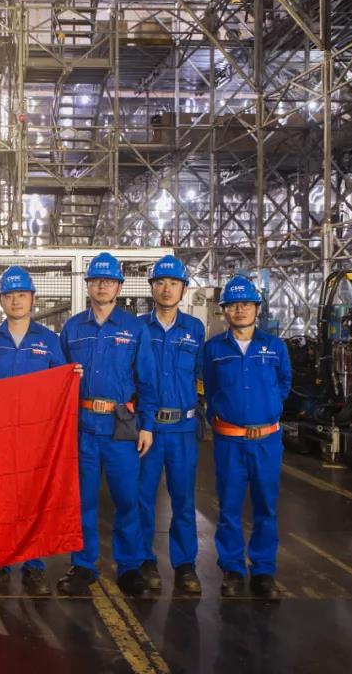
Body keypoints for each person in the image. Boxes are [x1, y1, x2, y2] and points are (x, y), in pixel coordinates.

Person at [58, 252, 158, 598]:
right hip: (83, 427)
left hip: (121, 428)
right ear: (88, 286)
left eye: (109, 281)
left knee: (127, 500)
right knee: (83, 501)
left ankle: (129, 566)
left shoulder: (134, 329)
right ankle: (83, 564)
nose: (102, 286)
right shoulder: (73, 329)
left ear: (118, 287)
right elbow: (57, 379)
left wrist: (147, 426)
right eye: (96, 281)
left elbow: (147, 381)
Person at [0, 265, 67, 596]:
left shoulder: (49, 341)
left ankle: (34, 567)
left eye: (22, 295)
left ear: (33, 299)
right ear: (0, 300)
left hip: (36, 439)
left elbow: (61, 386)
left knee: (33, 499)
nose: (16, 301)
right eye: (9, 295)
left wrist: (74, 377)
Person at [203, 275, 291, 599]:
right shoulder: (214, 349)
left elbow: (284, 384)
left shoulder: (276, 347)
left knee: (266, 506)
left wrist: (267, 409)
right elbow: (210, 387)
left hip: (266, 442)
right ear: (224, 310)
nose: (240, 310)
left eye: (246, 304)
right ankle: (233, 570)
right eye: (233, 305)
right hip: (229, 442)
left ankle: (264, 571)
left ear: (257, 308)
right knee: (229, 507)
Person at [137, 255, 205, 596]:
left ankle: (185, 564)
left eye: (173, 283)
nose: (166, 289)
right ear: (152, 288)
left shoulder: (195, 329)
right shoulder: (138, 328)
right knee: (142, 498)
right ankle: (144, 560)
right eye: (160, 283)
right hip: (147, 428)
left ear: (183, 289)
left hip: (182, 430)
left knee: (183, 498)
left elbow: (200, 374)